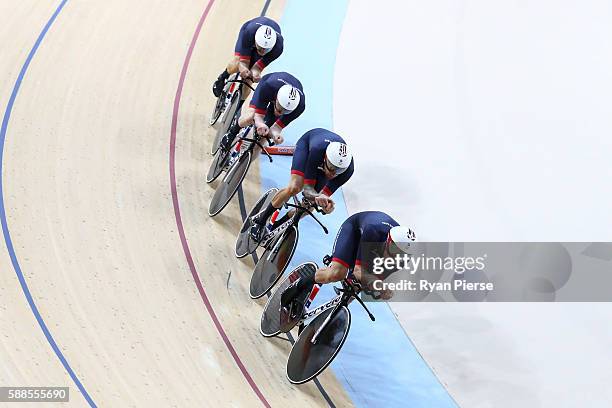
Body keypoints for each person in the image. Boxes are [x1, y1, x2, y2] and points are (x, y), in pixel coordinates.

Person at [280, 211, 417, 307]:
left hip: (373, 246)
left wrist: (381, 288)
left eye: (400, 254)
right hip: (355, 230)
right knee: (336, 274)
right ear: (388, 240)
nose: (396, 256)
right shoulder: (374, 230)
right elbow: (358, 271)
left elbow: (376, 278)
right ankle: (298, 286)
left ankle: (332, 315)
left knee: (357, 286)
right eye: (394, 250)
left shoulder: (403, 259)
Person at [250, 128, 354, 241]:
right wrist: (317, 196)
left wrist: (326, 206)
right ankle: (260, 221)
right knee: (294, 187)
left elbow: (323, 196)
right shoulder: (317, 150)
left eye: (338, 171)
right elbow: (307, 189)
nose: (333, 174)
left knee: (310, 206)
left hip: (323, 162)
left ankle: (278, 226)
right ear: (326, 158)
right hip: (308, 147)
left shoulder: (347, 171)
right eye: (332, 168)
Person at [219, 71, 305, 153]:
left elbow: (276, 128)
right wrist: (260, 123)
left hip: (280, 97)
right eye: (281, 109)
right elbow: (258, 116)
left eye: (286, 111)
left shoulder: (299, 107)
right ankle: (232, 132)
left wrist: (275, 135)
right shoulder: (268, 87)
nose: (281, 113)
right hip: (268, 88)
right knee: (251, 116)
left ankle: (242, 165)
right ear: (277, 99)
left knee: (263, 138)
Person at [212, 16, 284, 101]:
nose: (262, 51)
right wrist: (243, 67)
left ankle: (239, 105)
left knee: (249, 80)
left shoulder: (278, 49)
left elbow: (257, 68)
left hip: (266, 46)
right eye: (260, 47)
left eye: (266, 49)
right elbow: (243, 62)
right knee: (237, 61)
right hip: (248, 35)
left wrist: (255, 74)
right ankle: (223, 77)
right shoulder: (249, 32)